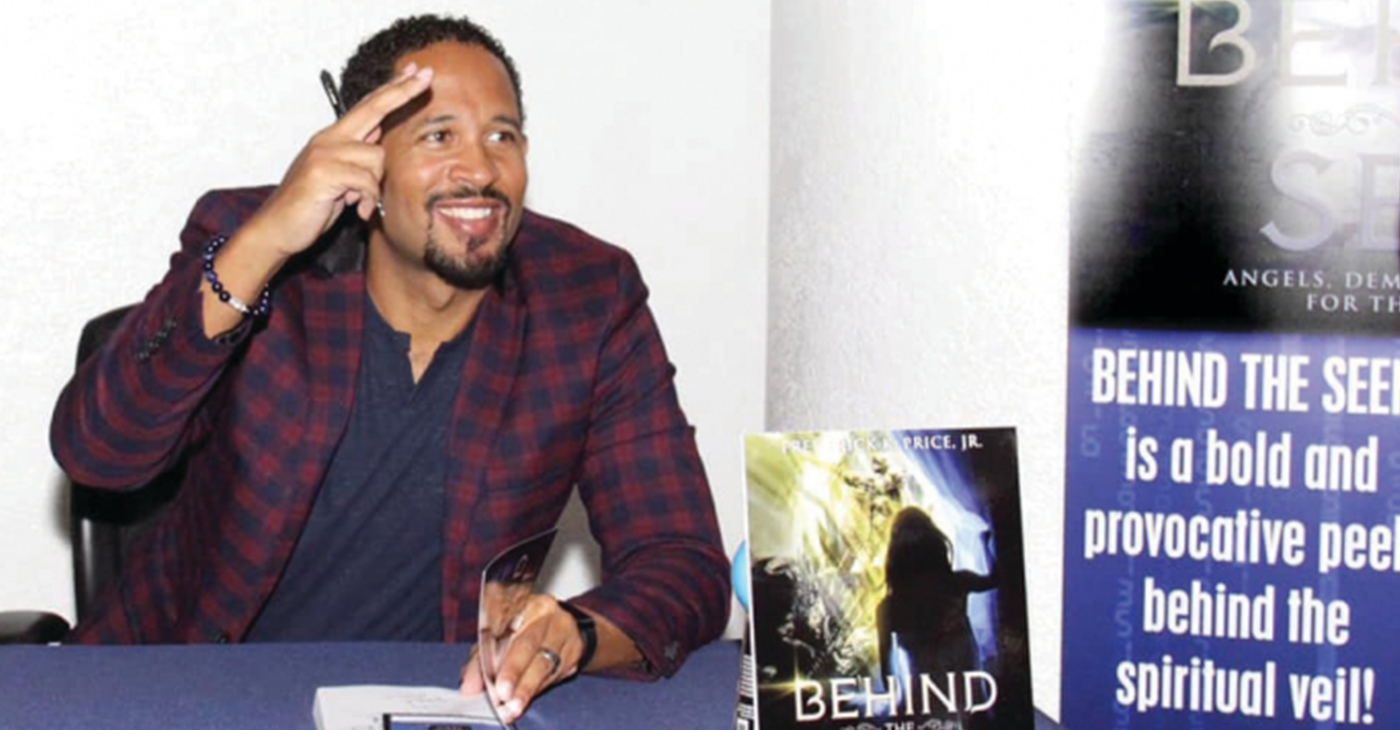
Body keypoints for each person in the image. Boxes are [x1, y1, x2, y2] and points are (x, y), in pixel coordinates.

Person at [48, 13, 730, 723]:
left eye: (504, 136)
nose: (480, 170)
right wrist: (267, 241)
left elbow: (681, 560)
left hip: (430, 704)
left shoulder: (585, 300)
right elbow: (100, 453)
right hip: (192, 692)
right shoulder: (267, 256)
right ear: (364, 159)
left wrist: (580, 635)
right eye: (439, 136)